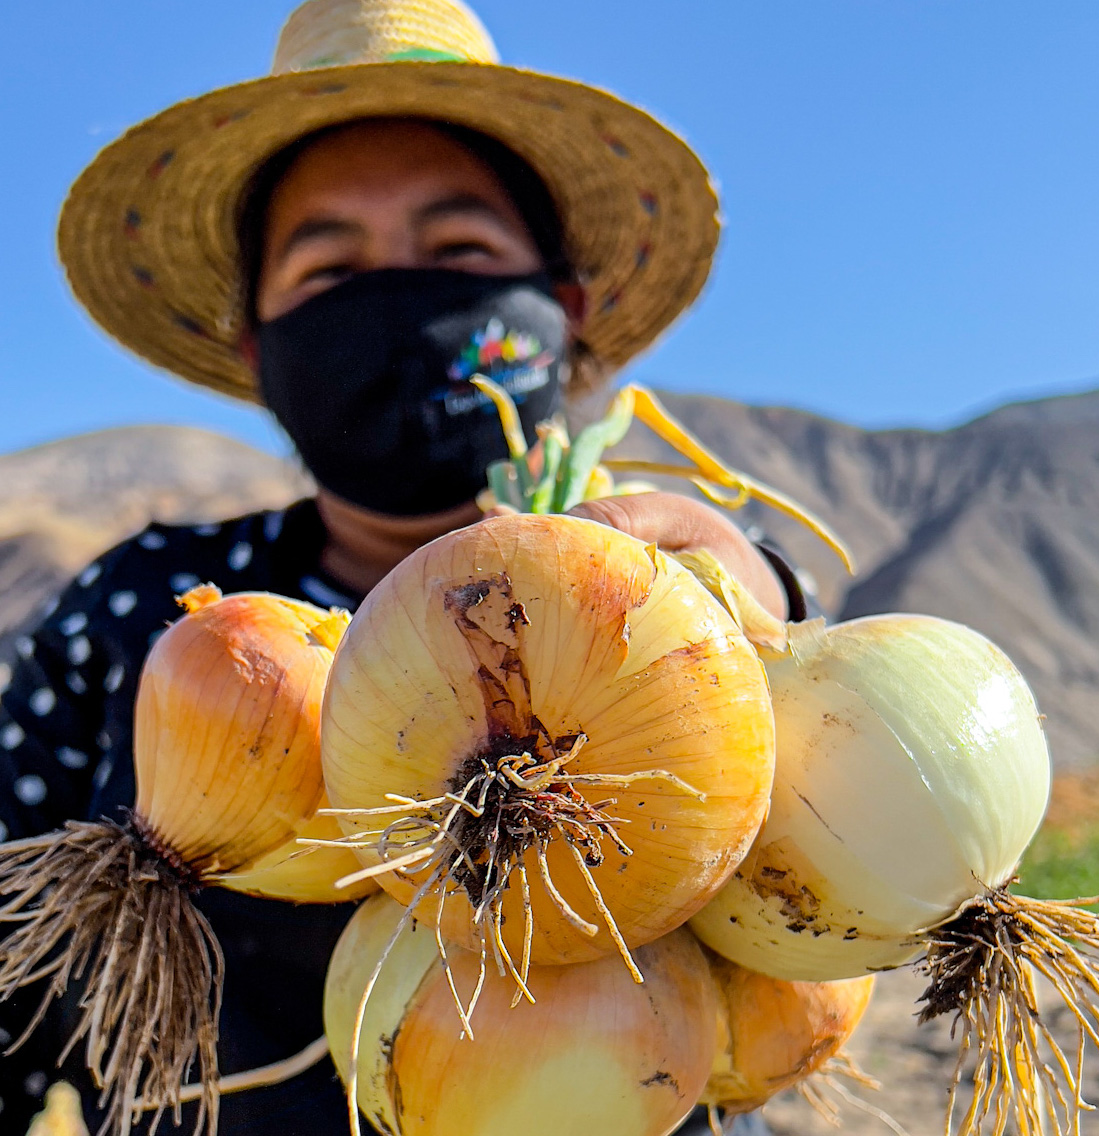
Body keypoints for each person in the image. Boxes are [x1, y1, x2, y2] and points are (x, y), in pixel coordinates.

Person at [0, 1, 813, 1131]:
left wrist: (756, 617)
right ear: (260, 348)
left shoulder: (698, 600)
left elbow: (820, 865)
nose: (395, 299)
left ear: (560, 312)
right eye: (330, 270)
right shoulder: (139, 609)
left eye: (458, 252)